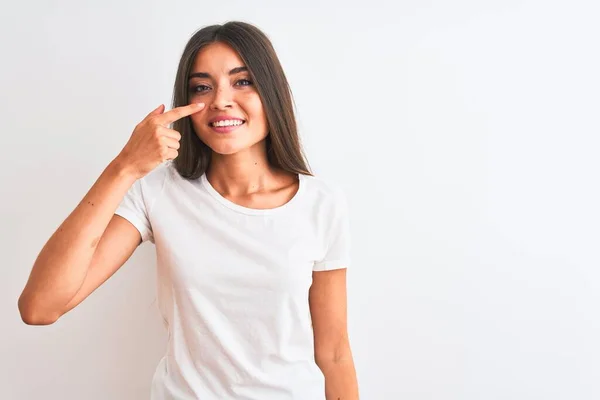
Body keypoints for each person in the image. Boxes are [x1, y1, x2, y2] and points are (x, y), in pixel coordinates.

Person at [18, 21, 358, 399]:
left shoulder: (320, 204)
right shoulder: (157, 193)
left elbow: (334, 353)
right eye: (202, 87)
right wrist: (125, 167)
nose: (221, 100)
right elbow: (40, 307)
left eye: (242, 81)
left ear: (271, 92)